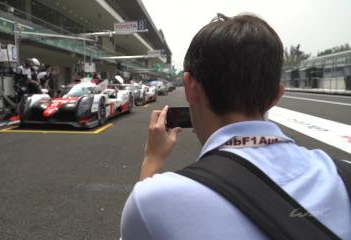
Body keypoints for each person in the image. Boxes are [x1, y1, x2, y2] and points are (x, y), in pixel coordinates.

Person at [121, 13, 351, 239]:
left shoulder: (154, 201)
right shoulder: (344, 175)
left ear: (190, 87)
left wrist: (152, 159)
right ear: (276, 95)